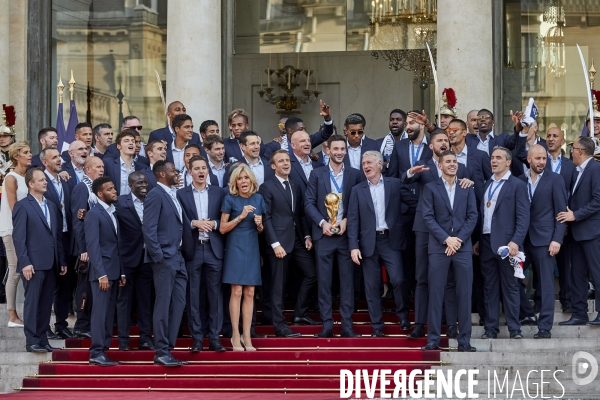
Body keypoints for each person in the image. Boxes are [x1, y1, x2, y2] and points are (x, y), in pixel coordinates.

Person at [402, 130, 472, 339]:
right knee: (424, 278)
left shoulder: (459, 167)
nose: (443, 142)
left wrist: (470, 183)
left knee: (451, 281)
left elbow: (468, 195)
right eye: (439, 140)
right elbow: (403, 184)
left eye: (445, 140)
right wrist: (410, 173)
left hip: (455, 235)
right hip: (426, 231)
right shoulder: (422, 165)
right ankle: (420, 323)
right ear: (430, 145)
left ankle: (451, 325)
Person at [305, 134, 364, 338]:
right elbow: (308, 203)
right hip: (324, 235)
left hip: (346, 236)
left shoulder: (355, 175)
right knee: (324, 282)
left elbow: (359, 204)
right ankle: (327, 324)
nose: (339, 152)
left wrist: (346, 220)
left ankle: (347, 326)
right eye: (335, 149)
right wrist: (322, 224)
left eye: (342, 149)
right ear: (327, 150)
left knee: (347, 282)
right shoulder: (317, 174)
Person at [347, 151, 410, 336]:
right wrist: (353, 246)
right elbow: (352, 220)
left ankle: (404, 317)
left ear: (379, 165)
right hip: (368, 242)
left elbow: (412, 203)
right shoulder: (357, 190)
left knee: (398, 279)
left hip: (390, 239)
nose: (365, 166)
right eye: (363, 163)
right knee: (371, 285)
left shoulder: (395, 184)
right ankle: (377, 326)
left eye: (369, 162)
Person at [421, 151, 478, 352]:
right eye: (448, 162)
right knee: (436, 294)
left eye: (455, 161)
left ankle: (464, 341)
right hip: (439, 248)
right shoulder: (430, 188)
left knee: (464, 294)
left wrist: (458, 240)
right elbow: (428, 217)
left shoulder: (467, 187)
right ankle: (433, 340)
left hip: (462, 249)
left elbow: (473, 216)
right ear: (440, 165)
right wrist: (446, 239)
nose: (452, 164)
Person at [259, 150, 318, 337]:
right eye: (281, 161)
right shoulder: (266, 187)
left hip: (298, 240)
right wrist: (274, 244)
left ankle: (300, 314)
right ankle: (280, 326)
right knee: (278, 285)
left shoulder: (295, 186)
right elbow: (266, 218)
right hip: (278, 243)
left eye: (287, 160)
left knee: (312, 274)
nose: (286, 163)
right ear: (273, 166)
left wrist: (307, 236)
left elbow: (299, 215)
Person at [477, 147, 530, 339]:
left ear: (508, 162)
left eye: (498, 158)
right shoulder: (486, 184)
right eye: (492, 157)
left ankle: (514, 328)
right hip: (486, 242)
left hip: (508, 245)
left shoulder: (517, 184)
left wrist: (516, 241)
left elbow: (523, 217)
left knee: (511, 287)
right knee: (490, 288)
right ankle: (491, 328)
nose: (493, 161)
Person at [12, 168, 66, 352]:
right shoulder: (23, 205)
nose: (45, 182)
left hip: (51, 263)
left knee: (45, 303)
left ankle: (43, 339)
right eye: (41, 180)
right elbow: (19, 238)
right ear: (31, 184)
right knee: (33, 302)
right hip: (33, 264)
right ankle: (32, 340)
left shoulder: (51, 205)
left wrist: (62, 260)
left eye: (46, 180)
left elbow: (56, 236)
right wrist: (25, 262)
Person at [143, 160, 190, 366]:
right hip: (164, 258)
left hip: (178, 257)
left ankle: (168, 348)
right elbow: (149, 228)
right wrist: (158, 256)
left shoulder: (174, 194)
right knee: (163, 304)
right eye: (172, 170)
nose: (176, 172)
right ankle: (161, 351)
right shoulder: (155, 194)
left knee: (179, 303)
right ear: (162, 174)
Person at [177, 155, 226, 352]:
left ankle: (214, 337)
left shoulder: (219, 192)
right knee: (193, 295)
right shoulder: (181, 194)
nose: (200, 171)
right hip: (193, 248)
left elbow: (225, 217)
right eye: (196, 168)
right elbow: (178, 219)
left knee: (215, 295)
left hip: (214, 248)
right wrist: (194, 223)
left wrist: (213, 224)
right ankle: (197, 338)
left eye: (203, 168)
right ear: (189, 172)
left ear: (208, 170)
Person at [518, 145, 567, 338]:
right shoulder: (520, 181)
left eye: (544, 159)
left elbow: (561, 213)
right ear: (528, 159)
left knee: (546, 285)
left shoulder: (555, 180)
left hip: (546, 241)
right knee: (511, 278)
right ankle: (527, 313)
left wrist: (557, 239)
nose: (541, 162)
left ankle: (545, 327)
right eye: (537, 158)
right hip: (522, 241)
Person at [220, 165, 265, 351]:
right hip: (235, 247)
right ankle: (235, 335)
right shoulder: (230, 199)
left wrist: (260, 225)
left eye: (246, 178)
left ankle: (247, 336)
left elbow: (261, 230)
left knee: (250, 293)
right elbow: (222, 228)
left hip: (252, 247)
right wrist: (240, 217)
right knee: (236, 291)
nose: (243, 181)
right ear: (235, 182)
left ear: (251, 180)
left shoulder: (259, 199)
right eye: (240, 178)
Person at [557, 137, 600, 326]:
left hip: (593, 232)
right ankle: (579, 313)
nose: (570, 152)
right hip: (576, 233)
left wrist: (576, 215)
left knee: (598, 274)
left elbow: (598, 201)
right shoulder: (577, 171)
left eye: (572, 148)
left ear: (580, 151)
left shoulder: (596, 169)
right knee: (577, 275)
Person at [85, 176, 124, 366]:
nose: (114, 191)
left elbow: (117, 246)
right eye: (110, 189)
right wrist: (101, 274)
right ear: (100, 194)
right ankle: (96, 351)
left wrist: (121, 272)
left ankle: (103, 351)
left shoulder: (113, 212)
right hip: (102, 275)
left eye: (114, 187)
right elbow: (93, 247)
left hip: (114, 272)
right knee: (100, 313)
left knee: (109, 314)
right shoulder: (94, 214)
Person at [115, 171, 154, 351]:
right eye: (139, 183)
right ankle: (123, 340)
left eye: (145, 182)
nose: (143, 185)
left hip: (147, 259)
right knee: (125, 301)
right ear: (130, 185)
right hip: (127, 259)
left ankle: (145, 338)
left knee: (146, 301)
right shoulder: (120, 202)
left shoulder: (153, 200)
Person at [41, 147, 75, 339]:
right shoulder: (40, 180)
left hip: (66, 237)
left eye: (59, 157)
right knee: (49, 284)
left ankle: (61, 324)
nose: (59, 160)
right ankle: (44, 326)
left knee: (65, 284)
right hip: (49, 239)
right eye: (54, 158)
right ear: (45, 162)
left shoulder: (65, 180)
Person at [70, 156, 105, 339]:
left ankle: (90, 322)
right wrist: (83, 249)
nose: (101, 170)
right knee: (85, 288)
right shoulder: (82, 188)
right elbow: (77, 222)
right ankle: (81, 325)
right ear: (88, 170)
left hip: (99, 246)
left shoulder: (98, 189)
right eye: (98, 167)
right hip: (87, 249)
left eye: (103, 167)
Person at [0, 141, 32, 327]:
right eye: (25, 152)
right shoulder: (11, 178)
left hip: (27, 229)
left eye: (29, 152)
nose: (30, 155)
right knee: (15, 270)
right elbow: (14, 209)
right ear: (16, 156)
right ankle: (12, 315)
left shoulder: (28, 176)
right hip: (13, 230)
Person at [263, 100, 334, 159]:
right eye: (301, 129)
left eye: (305, 129)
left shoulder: (308, 141)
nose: (304, 132)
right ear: (291, 131)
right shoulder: (275, 146)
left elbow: (326, 133)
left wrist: (327, 118)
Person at [387, 111, 432, 179]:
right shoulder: (399, 146)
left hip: (425, 189)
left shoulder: (432, 145)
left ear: (422, 125)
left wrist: (428, 124)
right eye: (406, 124)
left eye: (411, 123)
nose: (407, 127)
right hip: (403, 189)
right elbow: (392, 177)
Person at [102, 130, 145, 196]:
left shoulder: (142, 168)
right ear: (119, 146)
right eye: (126, 141)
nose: (131, 143)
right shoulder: (108, 163)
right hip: (114, 204)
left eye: (133, 141)